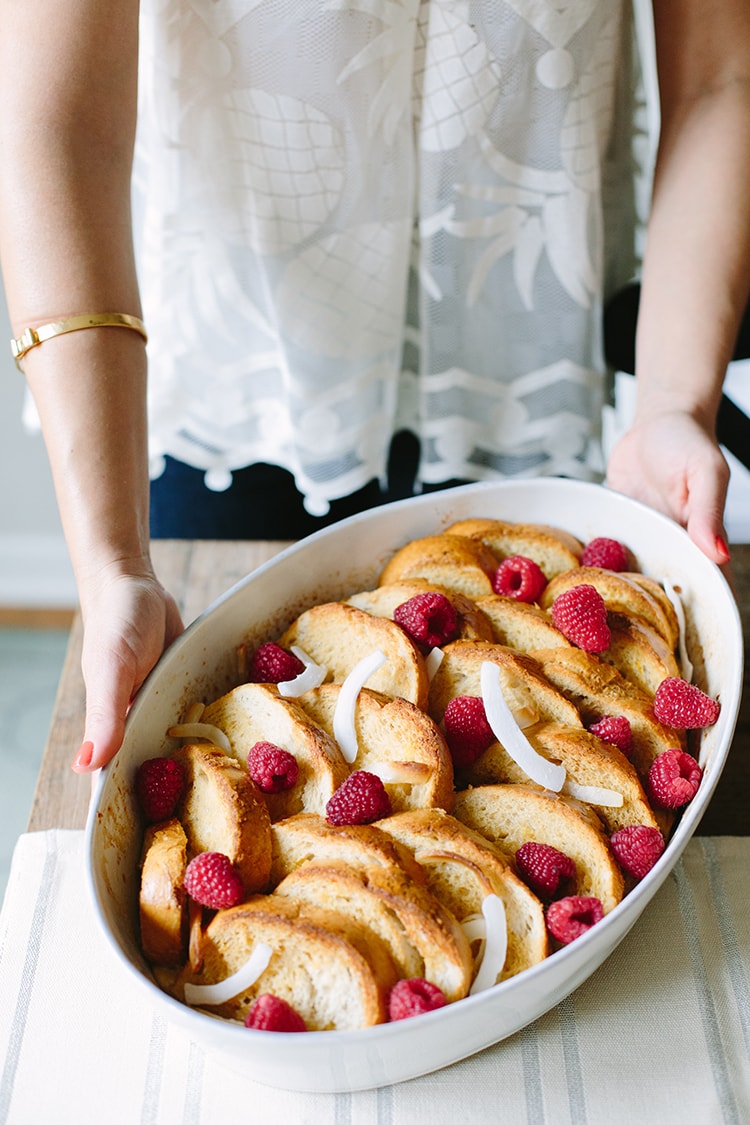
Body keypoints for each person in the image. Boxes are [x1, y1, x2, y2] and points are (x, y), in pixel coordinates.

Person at [0, 1, 748, 776]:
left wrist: (672, 400)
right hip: (232, 390)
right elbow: (60, 124)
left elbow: (719, 77)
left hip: (519, 394)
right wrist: (115, 562)